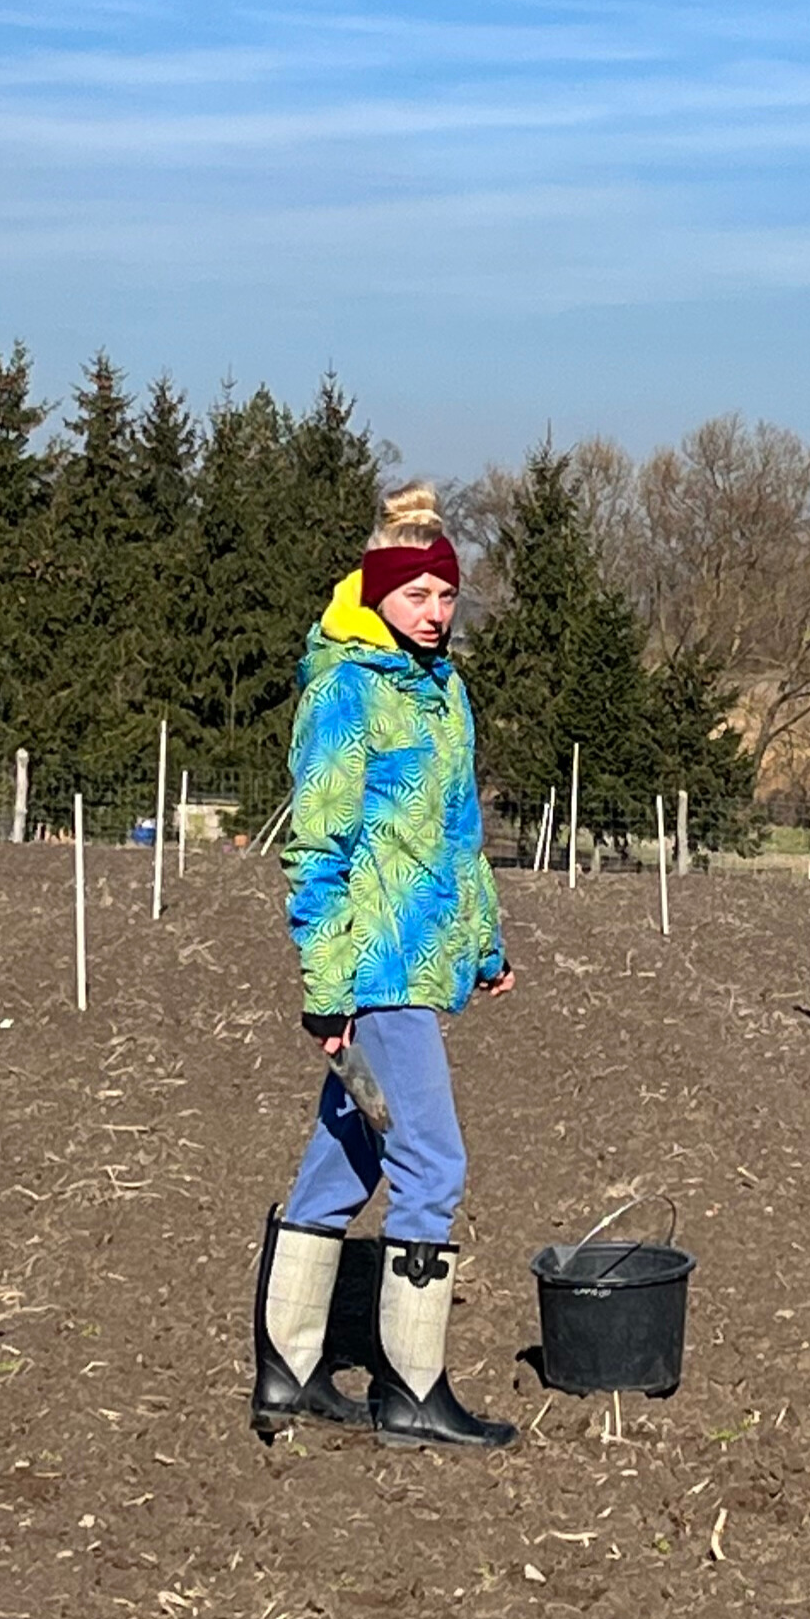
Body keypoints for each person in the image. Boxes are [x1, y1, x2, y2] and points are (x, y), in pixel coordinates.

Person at [251, 483, 520, 1451]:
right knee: (432, 1160)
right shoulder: (346, 692)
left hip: (424, 959)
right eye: (418, 597)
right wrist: (327, 993)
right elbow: (315, 851)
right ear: (376, 594)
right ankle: (410, 1390)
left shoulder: (444, 692)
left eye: (448, 597)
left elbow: (459, 839)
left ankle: (287, 1372)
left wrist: (485, 946)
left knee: (350, 1153)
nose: (438, 614)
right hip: (375, 970)